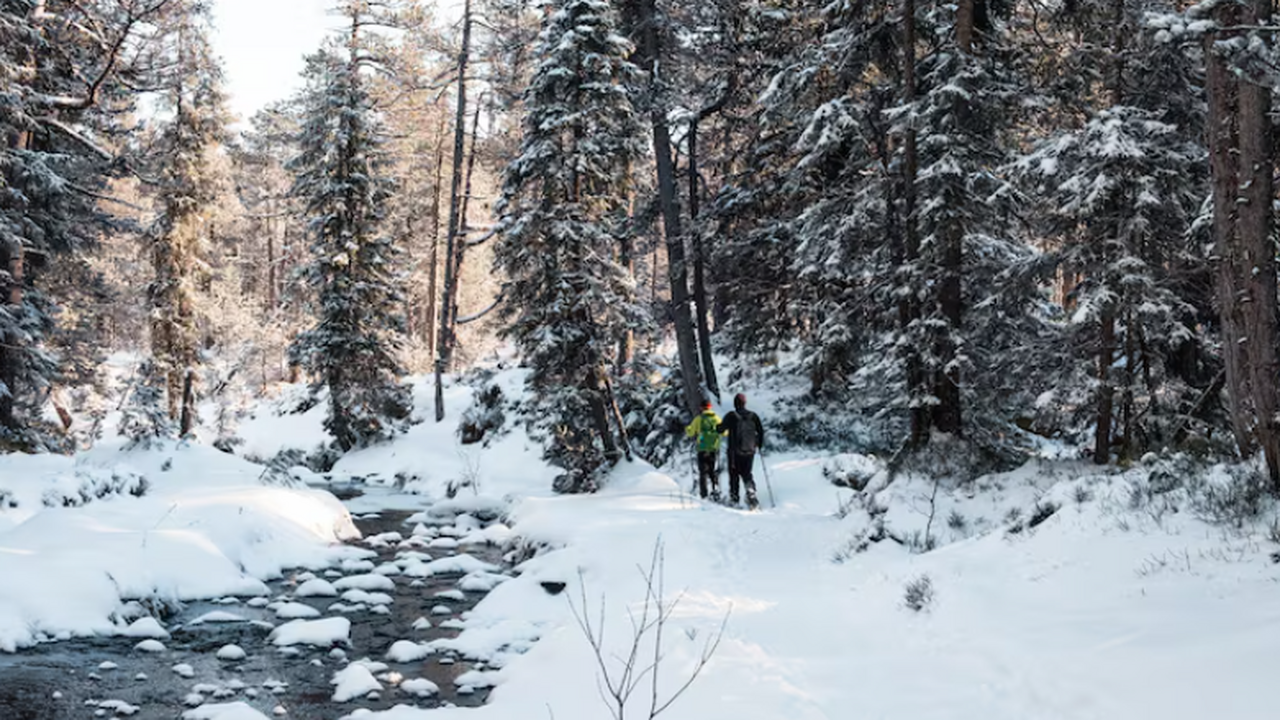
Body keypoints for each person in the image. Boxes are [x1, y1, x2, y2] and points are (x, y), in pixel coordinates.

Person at [720, 393, 765, 509]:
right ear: (745, 403)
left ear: (735, 404)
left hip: (734, 452)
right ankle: (751, 493)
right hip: (750, 451)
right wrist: (758, 445)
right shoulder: (753, 416)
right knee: (747, 473)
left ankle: (734, 500)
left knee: (734, 475)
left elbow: (720, 429)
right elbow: (760, 431)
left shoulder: (731, 416)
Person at [684, 400, 725, 500]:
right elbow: (724, 432)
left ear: (702, 408)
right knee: (712, 470)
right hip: (713, 448)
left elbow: (691, 432)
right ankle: (715, 490)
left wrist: (687, 428)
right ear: (710, 407)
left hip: (702, 448)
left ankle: (704, 494)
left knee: (703, 471)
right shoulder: (716, 419)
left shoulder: (698, 419)